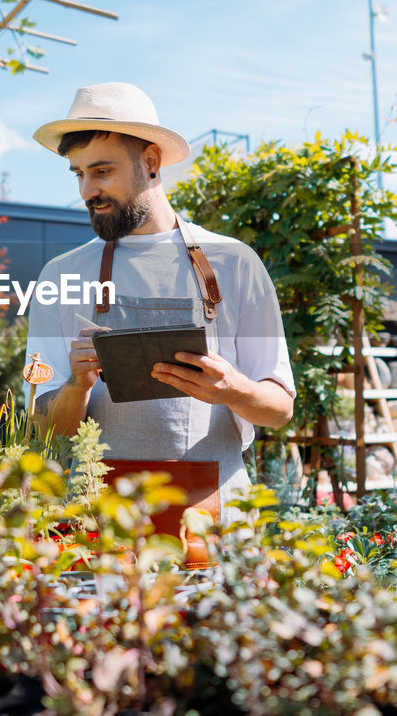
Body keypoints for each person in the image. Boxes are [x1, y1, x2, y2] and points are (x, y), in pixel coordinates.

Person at [23, 82, 295, 525]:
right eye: (79, 174)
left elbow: (280, 408)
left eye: (102, 171)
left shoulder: (234, 263)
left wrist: (233, 389)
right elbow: (45, 429)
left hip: (213, 517)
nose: (87, 190)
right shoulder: (62, 275)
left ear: (150, 162)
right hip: (100, 523)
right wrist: (76, 387)